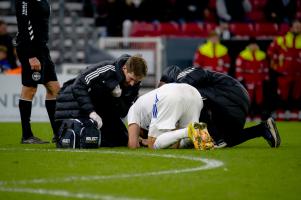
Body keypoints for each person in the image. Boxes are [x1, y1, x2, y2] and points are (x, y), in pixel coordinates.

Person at [158, 65, 281, 148]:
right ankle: (262, 129)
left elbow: (201, 73)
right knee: (229, 139)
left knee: (193, 99)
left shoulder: (183, 78)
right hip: (232, 103)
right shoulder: (185, 85)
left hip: (231, 97)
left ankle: (214, 137)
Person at [55, 54, 148, 147]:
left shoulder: (135, 85)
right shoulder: (106, 69)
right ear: (124, 68)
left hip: (101, 109)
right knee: (87, 137)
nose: (132, 84)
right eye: (131, 78)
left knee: (121, 139)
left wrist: (117, 98)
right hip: (73, 104)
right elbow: (78, 86)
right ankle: (64, 133)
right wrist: (91, 112)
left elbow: (123, 112)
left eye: (136, 81)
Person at [15, 0, 61, 144]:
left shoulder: (45, 1)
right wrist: (31, 56)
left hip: (42, 49)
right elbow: (23, 25)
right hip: (30, 49)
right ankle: (27, 136)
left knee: (54, 89)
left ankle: (58, 133)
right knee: (30, 89)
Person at [127, 83, 214, 150]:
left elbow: (133, 145)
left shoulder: (133, 109)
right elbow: (175, 143)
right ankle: (200, 135)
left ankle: (188, 131)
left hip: (170, 96)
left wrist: (143, 141)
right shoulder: (147, 102)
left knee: (152, 144)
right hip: (194, 93)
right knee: (187, 138)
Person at [267, 19, 301, 121]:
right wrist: (278, 59)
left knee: (297, 94)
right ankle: (281, 114)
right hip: (284, 74)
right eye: (296, 27)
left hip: (299, 74)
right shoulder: (281, 40)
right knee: (283, 95)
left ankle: (295, 114)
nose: (298, 29)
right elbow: (270, 52)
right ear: (290, 28)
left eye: (299, 27)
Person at [235, 38, 269, 120]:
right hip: (248, 80)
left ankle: (257, 116)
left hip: (259, 81)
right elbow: (239, 67)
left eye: (255, 45)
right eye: (252, 45)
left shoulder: (262, 55)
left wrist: (266, 77)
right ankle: (248, 116)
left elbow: (265, 68)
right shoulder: (243, 55)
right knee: (248, 99)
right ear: (248, 46)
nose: (254, 46)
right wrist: (240, 79)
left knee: (259, 99)